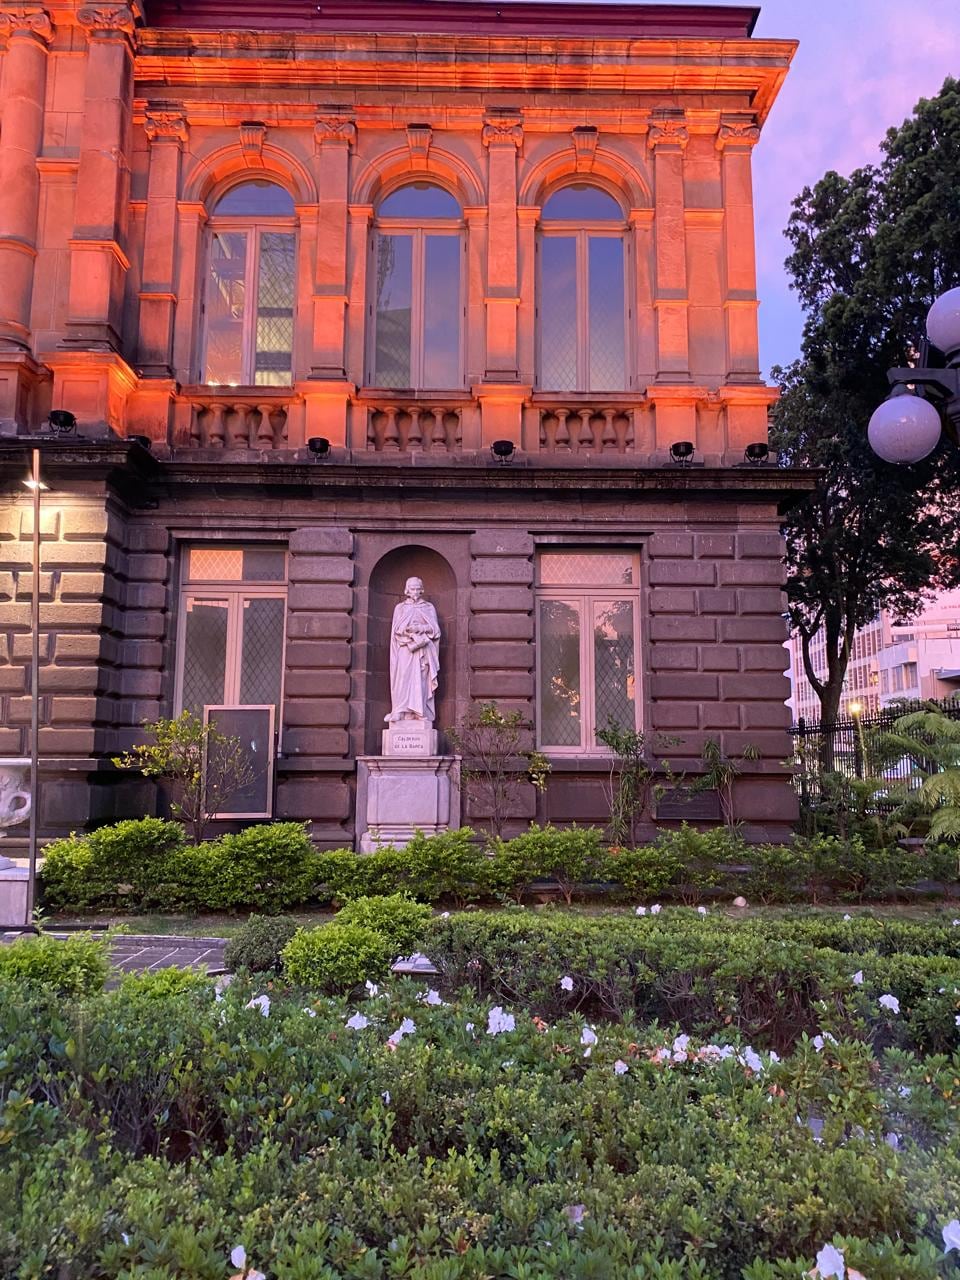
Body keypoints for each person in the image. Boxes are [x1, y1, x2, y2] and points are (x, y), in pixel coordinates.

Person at [385, 576, 441, 724]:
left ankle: (420, 711)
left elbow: (435, 630)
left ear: (421, 590)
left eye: (417, 588)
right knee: (402, 678)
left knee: (421, 680)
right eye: (412, 588)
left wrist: (419, 628)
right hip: (405, 649)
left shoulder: (428, 607)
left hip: (422, 651)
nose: (415, 591)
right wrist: (407, 632)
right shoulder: (400, 608)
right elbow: (395, 630)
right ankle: (400, 710)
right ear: (407, 590)